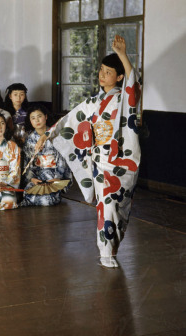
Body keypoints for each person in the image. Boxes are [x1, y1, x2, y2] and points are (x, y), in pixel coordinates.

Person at [35, 35, 142, 268]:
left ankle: (112, 246)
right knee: (107, 204)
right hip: (100, 161)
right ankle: (106, 252)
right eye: (101, 70)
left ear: (120, 76)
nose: (102, 75)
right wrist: (48, 133)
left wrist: (123, 54)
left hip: (122, 161)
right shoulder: (93, 102)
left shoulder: (124, 99)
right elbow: (71, 119)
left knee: (120, 207)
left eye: (108, 72)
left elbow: (134, 83)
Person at [21, 104, 72, 206]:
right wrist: (32, 179)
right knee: (28, 194)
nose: (37, 120)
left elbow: (62, 161)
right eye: (33, 118)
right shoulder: (30, 140)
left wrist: (57, 177)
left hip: (53, 178)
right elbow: (27, 163)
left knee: (46, 200)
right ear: (30, 121)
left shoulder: (56, 137)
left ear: (46, 117)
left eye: (39, 116)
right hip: (37, 179)